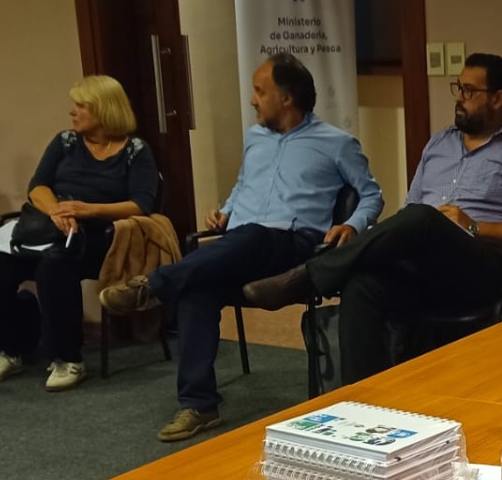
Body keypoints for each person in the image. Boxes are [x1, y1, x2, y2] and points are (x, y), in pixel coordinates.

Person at [98, 53, 381, 442]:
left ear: (286, 97)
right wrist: (227, 210)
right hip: (240, 243)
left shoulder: (337, 143)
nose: (252, 100)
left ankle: (155, 285)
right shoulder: (255, 138)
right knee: (198, 288)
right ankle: (199, 405)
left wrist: (351, 224)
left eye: (260, 92)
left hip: (293, 245)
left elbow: (371, 195)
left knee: (251, 237)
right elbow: (245, 183)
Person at [238, 52, 502, 384]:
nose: (460, 99)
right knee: (362, 285)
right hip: (423, 267)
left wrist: (473, 226)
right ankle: (362, 398)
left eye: (470, 91)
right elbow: (409, 213)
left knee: (423, 218)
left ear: (498, 98)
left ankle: (308, 277)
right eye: (458, 88)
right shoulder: (439, 144)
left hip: (478, 269)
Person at [0, 76, 159, 392]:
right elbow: (38, 187)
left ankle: (67, 357)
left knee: (55, 265)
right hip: (52, 228)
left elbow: (141, 204)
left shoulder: (136, 151)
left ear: (105, 109)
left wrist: (88, 210)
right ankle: (5, 350)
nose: (73, 111)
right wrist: (56, 211)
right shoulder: (65, 142)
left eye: (81, 106)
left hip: (101, 237)